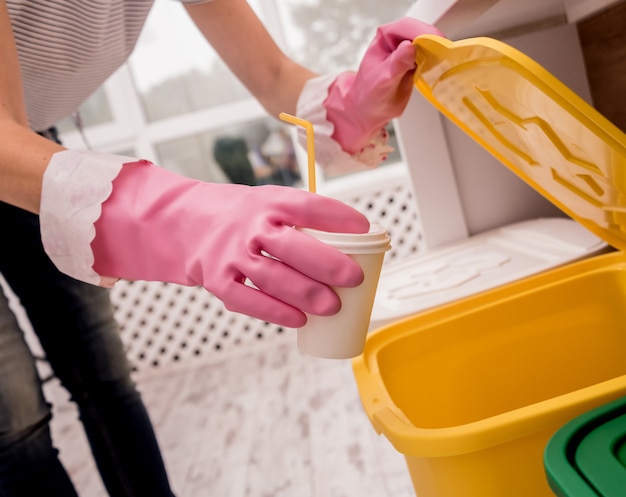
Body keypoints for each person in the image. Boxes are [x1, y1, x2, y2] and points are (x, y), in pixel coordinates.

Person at [0, 0, 442, 495]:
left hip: (36, 145)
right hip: (14, 152)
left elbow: (272, 73)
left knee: (105, 380)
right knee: (16, 422)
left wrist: (346, 103)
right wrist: (165, 213)